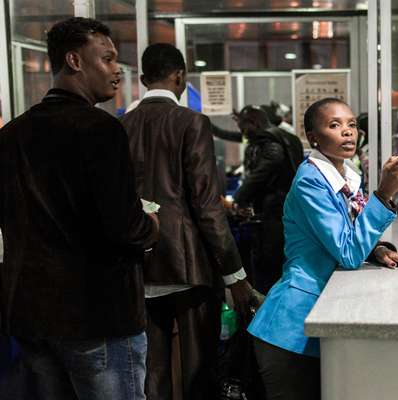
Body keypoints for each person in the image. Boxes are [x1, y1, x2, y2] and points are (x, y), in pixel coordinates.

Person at [0, 17, 159, 400]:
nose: (116, 69)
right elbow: (123, 226)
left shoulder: (11, 136)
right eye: (106, 58)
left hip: (32, 314)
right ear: (74, 61)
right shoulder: (99, 130)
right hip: (96, 314)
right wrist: (151, 223)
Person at [248, 98, 398, 400]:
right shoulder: (310, 182)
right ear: (312, 137)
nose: (348, 132)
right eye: (334, 125)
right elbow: (347, 252)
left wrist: (376, 250)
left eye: (352, 124)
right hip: (290, 329)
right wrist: (384, 193)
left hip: (318, 320)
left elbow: (345, 236)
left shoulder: (346, 177)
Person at [120, 43, 255, 400]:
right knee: (199, 368)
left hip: (139, 262)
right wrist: (235, 275)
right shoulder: (191, 122)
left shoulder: (122, 125)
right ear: (181, 76)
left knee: (153, 368)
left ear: (144, 79)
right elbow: (207, 205)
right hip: (187, 266)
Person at [234, 105, 304, 294]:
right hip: (284, 213)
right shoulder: (284, 138)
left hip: (273, 215)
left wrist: (240, 197)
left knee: (269, 269)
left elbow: (263, 172)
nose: (243, 134)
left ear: (253, 123)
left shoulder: (269, 143)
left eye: (243, 128)